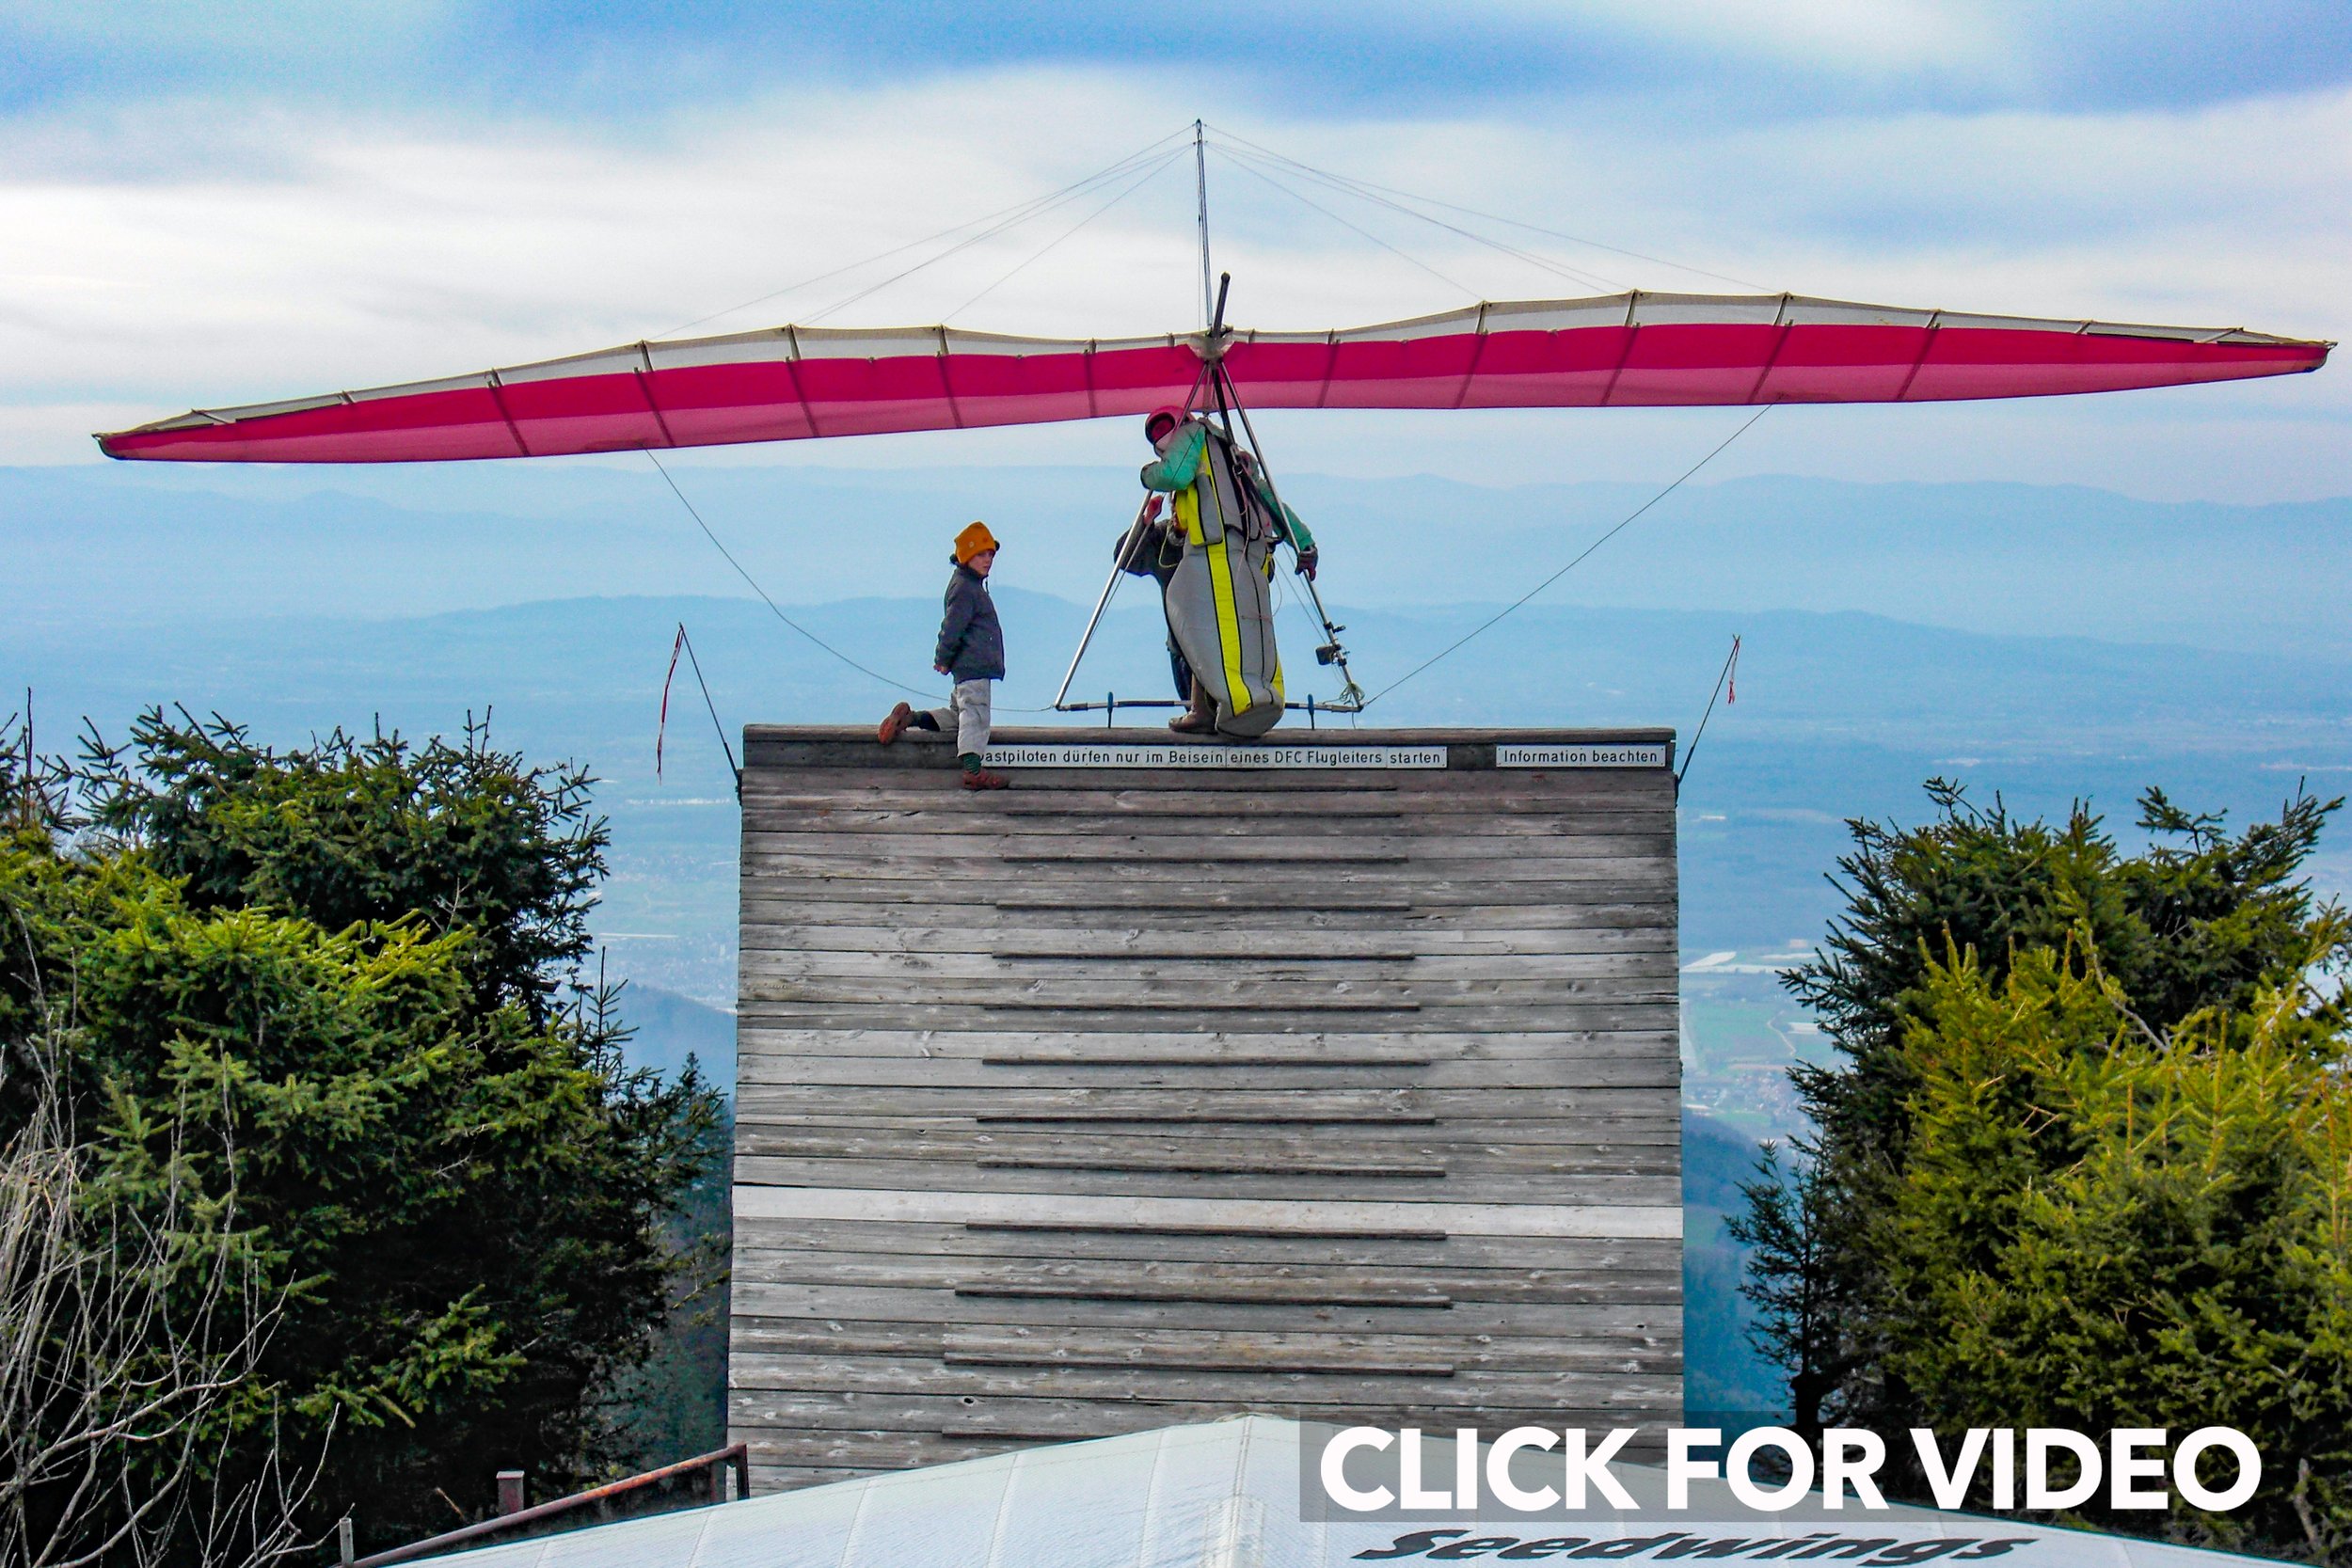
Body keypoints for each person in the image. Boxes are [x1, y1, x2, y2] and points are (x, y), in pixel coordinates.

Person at [1136, 405, 1318, 737]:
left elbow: (1174, 475)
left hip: (1215, 556)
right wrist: (1303, 542)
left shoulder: (1195, 437)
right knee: (1251, 632)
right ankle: (1261, 697)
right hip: (1252, 559)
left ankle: (1233, 703)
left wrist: (1148, 475)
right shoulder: (1231, 454)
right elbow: (1269, 500)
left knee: (1206, 628)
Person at [878, 521, 1009, 790]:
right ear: (966, 556)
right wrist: (943, 657)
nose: (988, 561)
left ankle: (911, 719)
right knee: (976, 715)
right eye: (981, 555)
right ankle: (973, 770)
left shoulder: (967, 585)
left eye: (991, 555)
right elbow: (952, 627)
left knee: (957, 714)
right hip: (974, 667)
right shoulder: (966, 589)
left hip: (968, 667)